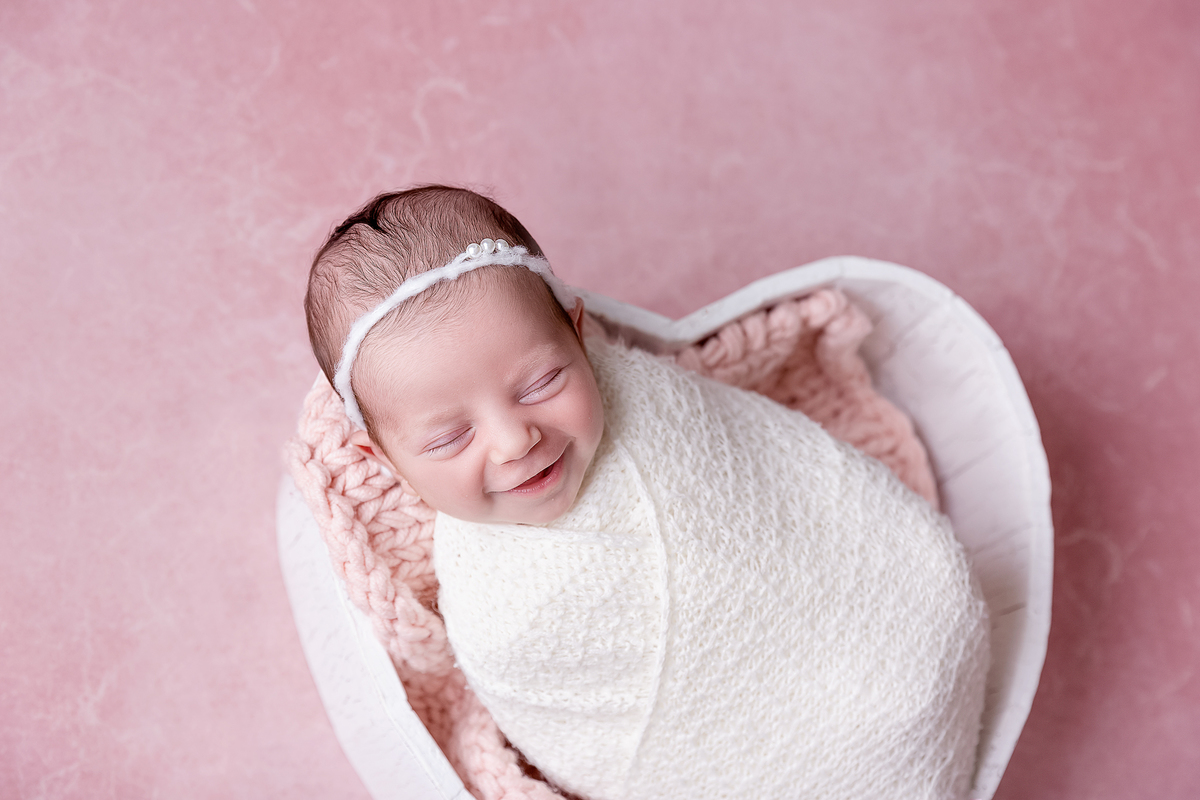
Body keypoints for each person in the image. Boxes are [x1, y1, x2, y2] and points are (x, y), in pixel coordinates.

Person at [305, 185, 990, 800]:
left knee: (914, 656)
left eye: (542, 383)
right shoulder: (492, 605)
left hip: (897, 621)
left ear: (579, 335)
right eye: (450, 437)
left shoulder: (641, 397)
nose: (515, 442)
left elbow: (759, 468)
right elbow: (572, 729)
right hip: (772, 760)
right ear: (384, 458)